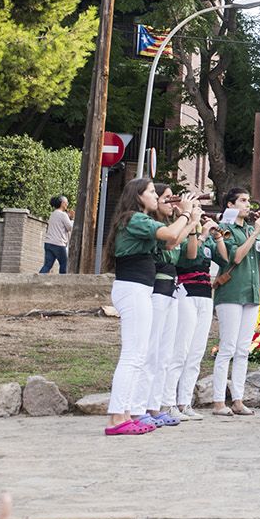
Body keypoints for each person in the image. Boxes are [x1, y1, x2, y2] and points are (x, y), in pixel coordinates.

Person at [105, 176, 199, 435]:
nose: (156, 197)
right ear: (138, 196)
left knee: (138, 354)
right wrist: (186, 213)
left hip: (140, 289)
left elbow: (170, 243)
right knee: (133, 355)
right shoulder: (133, 218)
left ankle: (124, 414)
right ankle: (116, 418)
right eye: (151, 191)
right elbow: (169, 233)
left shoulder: (141, 220)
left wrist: (189, 220)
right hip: (132, 289)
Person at [210, 188, 260, 415]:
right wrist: (255, 233)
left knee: (243, 349)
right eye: (243, 201)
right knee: (227, 347)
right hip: (231, 293)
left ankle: (238, 399)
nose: (248, 205)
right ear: (230, 205)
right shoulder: (224, 229)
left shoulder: (250, 229)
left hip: (251, 293)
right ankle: (218, 400)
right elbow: (236, 256)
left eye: (249, 201)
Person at [167, 206, 226, 420]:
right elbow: (189, 257)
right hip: (186, 293)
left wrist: (218, 237)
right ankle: (169, 402)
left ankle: (185, 402)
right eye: (197, 212)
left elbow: (226, 260)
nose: (201, 216)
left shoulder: (208, 239)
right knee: (180, 351)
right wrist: (199, 233)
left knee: (196, 353)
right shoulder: (181, 235)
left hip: (205, 295)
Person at [135, 184, 184, 427]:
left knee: (164, 353)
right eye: (165, 198)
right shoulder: (153, 228)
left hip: (171, 291)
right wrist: (188, 216)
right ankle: (141, 406)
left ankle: (154, 407)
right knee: (151, 352)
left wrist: (191, 221)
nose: (169, 202)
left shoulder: (168, 225)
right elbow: (171, 242)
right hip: (156, 290)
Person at [39, 195, 72, 274]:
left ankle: (37, 279)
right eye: (66, 202)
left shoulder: (53, 214)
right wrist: (71, 219)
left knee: (47, 265)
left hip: (48, 243)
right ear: (62, 203)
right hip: (58, 244)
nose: (67, 204)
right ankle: (61, 282)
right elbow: (70, 227)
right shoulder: (63, 215)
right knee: (64, 264)